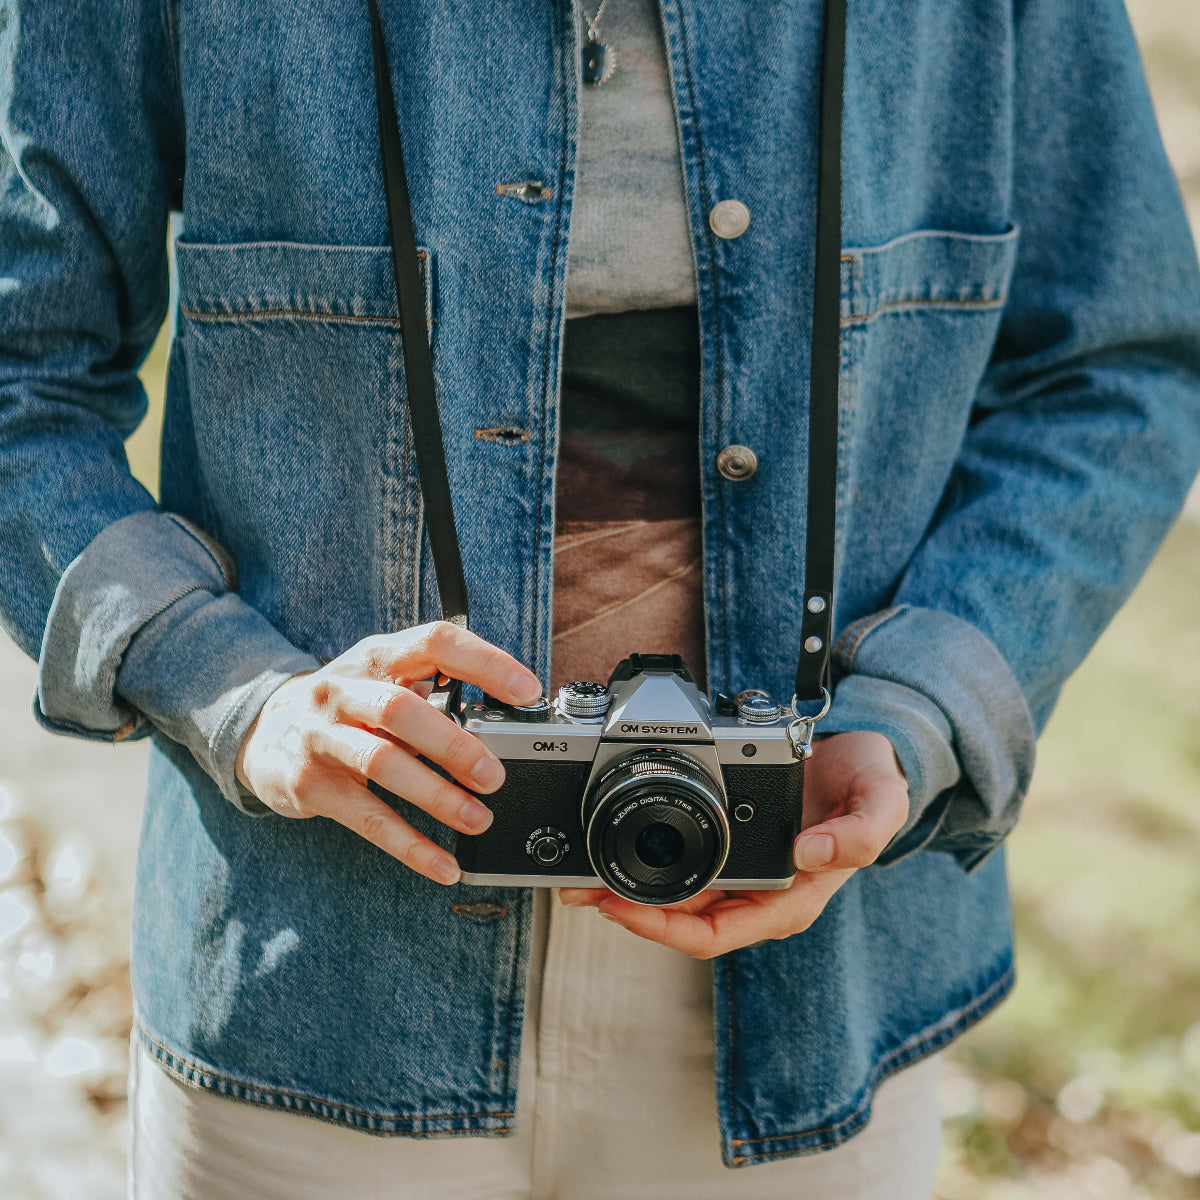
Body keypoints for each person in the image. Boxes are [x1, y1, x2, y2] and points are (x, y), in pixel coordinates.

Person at [1, 0, 1198, 1196]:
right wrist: (231, 689)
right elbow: (22, 376)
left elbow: (1116, 371)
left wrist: (923, 707)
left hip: (815, 983)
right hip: (318, 971)